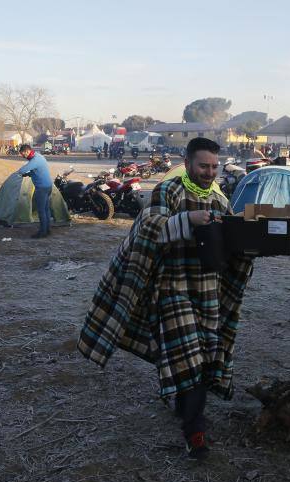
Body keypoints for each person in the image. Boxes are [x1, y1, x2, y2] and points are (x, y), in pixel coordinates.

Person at [77, 137, 254, 461]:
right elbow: (149, 226)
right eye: (204, 166)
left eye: (214, 166)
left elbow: (229, 240)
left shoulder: (218, 198)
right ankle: (195, 432)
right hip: (172, 289)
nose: (209, 172)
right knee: (190, 358)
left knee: (198, 355)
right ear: (187, 164)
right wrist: (188, 221)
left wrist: (252, 240)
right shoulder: (169, 190)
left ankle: (182, 402)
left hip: (208, 291)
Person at [17, 144, 53, 238]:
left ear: (27, 151)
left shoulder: (35, 160)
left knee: (41, 211)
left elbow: (22, 170)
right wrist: (28, 174)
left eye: (22, 154)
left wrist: (18, 173)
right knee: (46, 209)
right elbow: (36, 170)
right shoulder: (39, 156)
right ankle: (47, 229)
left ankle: (42, 232)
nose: (22, 156)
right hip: (48, 186)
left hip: (42, 188)